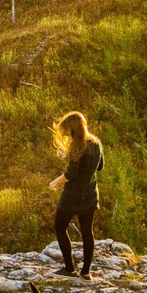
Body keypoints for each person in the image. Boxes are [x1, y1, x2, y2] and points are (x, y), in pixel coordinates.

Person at [49, 110, 104, 277]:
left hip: (72, 196)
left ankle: (69, 268)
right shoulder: (96, 143)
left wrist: (55, 182)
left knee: (60, 226)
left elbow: (71, 174)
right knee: (87, 231)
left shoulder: (76, 146)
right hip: (90, 194)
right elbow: (100, 166)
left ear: (72, 129)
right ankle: (86, 272)